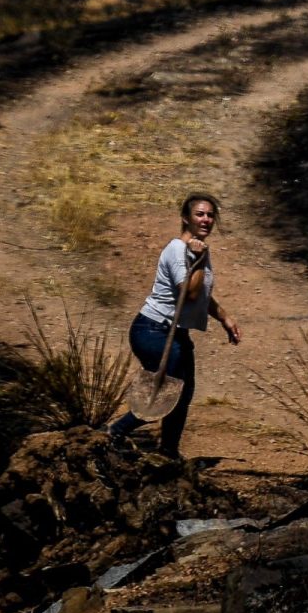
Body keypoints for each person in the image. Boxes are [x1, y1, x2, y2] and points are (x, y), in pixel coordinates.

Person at [106, 193, 241, 458]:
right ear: (185, 218)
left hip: (175, 333)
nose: (206, 219)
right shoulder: (178, 250)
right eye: (199, 214)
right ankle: (114, 433)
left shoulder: (196, 248)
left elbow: (201, 294)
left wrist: (225, 317)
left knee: (184, 392)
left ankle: (168, 452)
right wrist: (198, 260)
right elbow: (188, 294)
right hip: (153, 330)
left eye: (210, 215)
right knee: (167, 393)